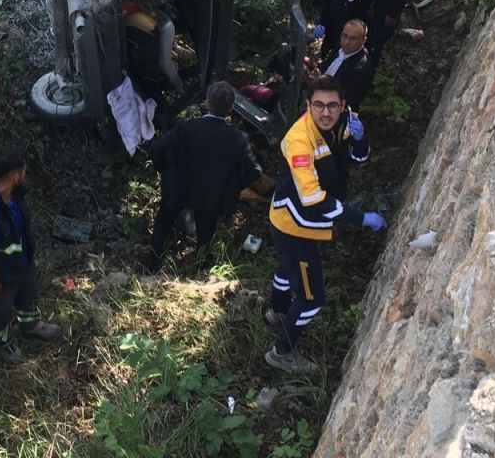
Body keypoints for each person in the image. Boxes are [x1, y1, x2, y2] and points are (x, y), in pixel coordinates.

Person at [264, 76, 385, 374]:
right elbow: (312, 199)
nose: (326, 112)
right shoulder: (299, 140)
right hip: (295, 226)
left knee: (286, 269)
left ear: (342, 105)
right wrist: (360, 218)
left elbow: (359, 158)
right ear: (308, 106)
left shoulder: (343, 123)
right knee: (311, 298)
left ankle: (278, 312)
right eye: (319, 105)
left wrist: (360, 138)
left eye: (332, 106)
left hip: (295, 220)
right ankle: (281, 352)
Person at [147, 81, 262, 272]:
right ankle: (200, 271)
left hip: (178, 187)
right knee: (205, 237)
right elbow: (254, 171)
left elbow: (157, 148)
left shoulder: (187, 126)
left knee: (162, 226)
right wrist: (230, 186)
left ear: (207, 102)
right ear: (231, 108)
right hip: (211, 196)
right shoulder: (237, 138)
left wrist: (165, 171)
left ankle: (152, 265)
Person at [0, 146, 62, 365]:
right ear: (16, 175)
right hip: (1, 273)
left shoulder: (15, 194)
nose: (25, 174)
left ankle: (30, 325)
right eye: (24, 171)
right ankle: (1, 342)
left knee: (28, 295)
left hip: (22, 262)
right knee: (0, 309)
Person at [351, 0, 408, 68]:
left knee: (374, 44)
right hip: (369, 9)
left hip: (383, 14)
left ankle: (369, 68)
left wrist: (392, 13)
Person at [317, 19, 375, 111]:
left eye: (353, 39)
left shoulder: (361, 69)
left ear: (363, 40)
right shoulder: (340, 48)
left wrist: (317, 83)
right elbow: (327, 67)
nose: (346, 42)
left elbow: (343, 102)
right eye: (345, 36)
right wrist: (313, 67)